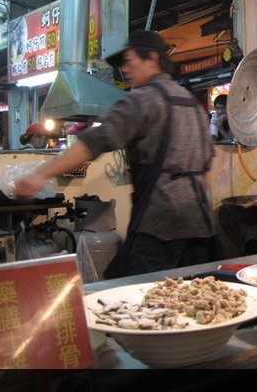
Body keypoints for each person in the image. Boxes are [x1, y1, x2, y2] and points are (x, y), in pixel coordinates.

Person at [15, 30, 215, 279]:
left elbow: (92, 143)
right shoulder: (192, 103)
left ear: (152, 59)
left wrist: (38, 176)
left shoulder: (141, 100)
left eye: (129, 61)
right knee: (190, 301)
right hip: (201, 228)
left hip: (159, 227)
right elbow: (206, 172)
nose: (124, 70)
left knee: (129, 295)